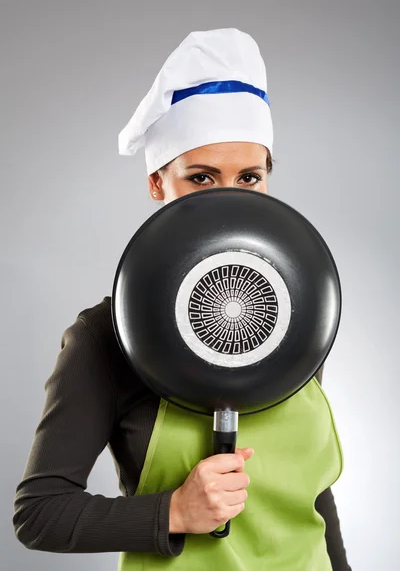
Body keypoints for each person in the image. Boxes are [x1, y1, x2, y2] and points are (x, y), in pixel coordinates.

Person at [13, 28, 351, 570]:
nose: (228, 199)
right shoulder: (106, 335)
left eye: (249, 177)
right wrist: (173, 511)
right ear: (157, 183)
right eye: (201, 177)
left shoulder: (297, 312)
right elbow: (40, 514)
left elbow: (313, 498)